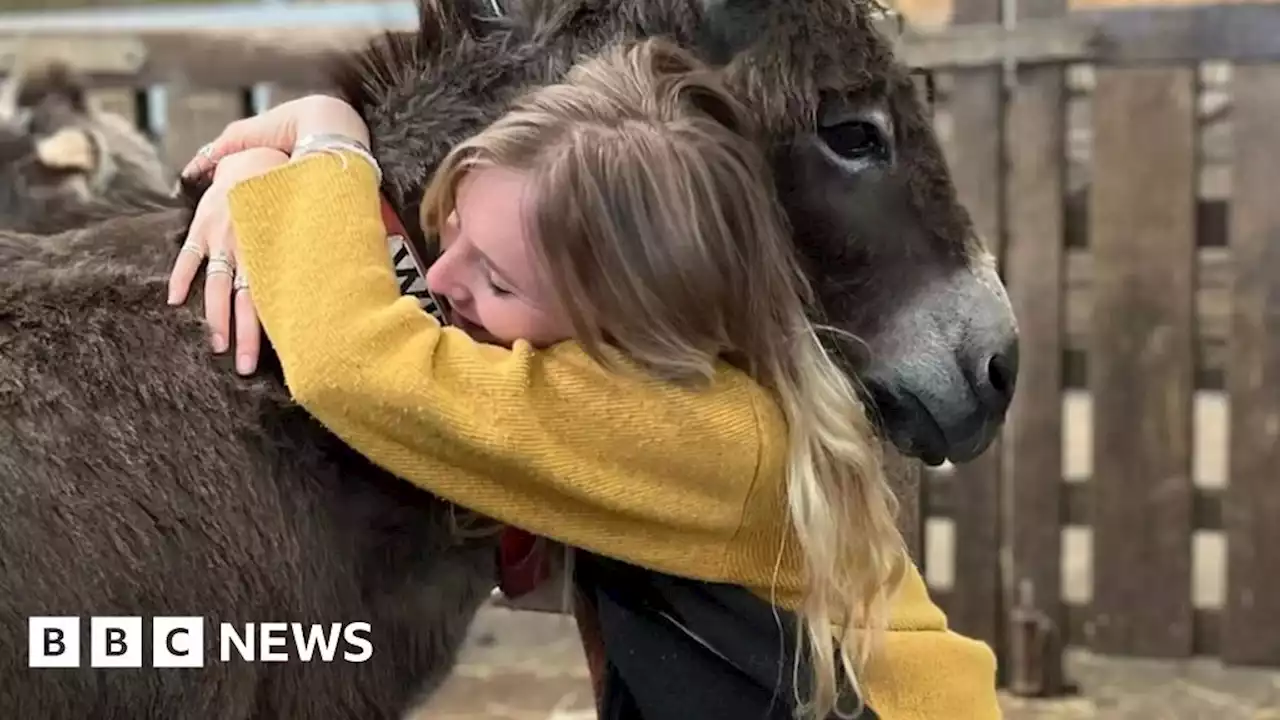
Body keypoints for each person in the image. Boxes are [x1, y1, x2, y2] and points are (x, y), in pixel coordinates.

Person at [170, 38, 1000, 720]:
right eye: (451, 229)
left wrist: (327, 134)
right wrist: (267, 180)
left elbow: (360, 365)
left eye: (499, 283)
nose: (448, 278)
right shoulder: (691, 366)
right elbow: (429, 316)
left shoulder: (682, 430)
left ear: (625, 320)